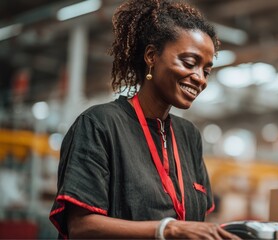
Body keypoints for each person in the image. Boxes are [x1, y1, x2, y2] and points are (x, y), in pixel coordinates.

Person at [49, 0, 240, 239]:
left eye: (207, 70)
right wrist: (167, 229)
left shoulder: (189, 136)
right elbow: (80, 227)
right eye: (190, 63)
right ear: (151, 56)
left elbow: (198, 221)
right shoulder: (99, 124)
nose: (200, 78)